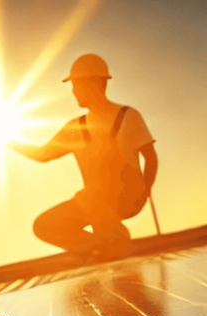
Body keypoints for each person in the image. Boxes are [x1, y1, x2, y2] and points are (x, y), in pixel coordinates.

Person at [9, 53, 158, 262]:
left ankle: (116, 240)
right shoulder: (74, 128)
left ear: (92, 83)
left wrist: (146, 189)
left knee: (94, 194)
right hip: (92, 200)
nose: (73, 91)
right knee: (44, 226)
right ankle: (100, 247)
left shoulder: (128, 116)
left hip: (128, 196)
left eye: (76, 85)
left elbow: (149, 157)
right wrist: (9, 142)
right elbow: (42, 154)